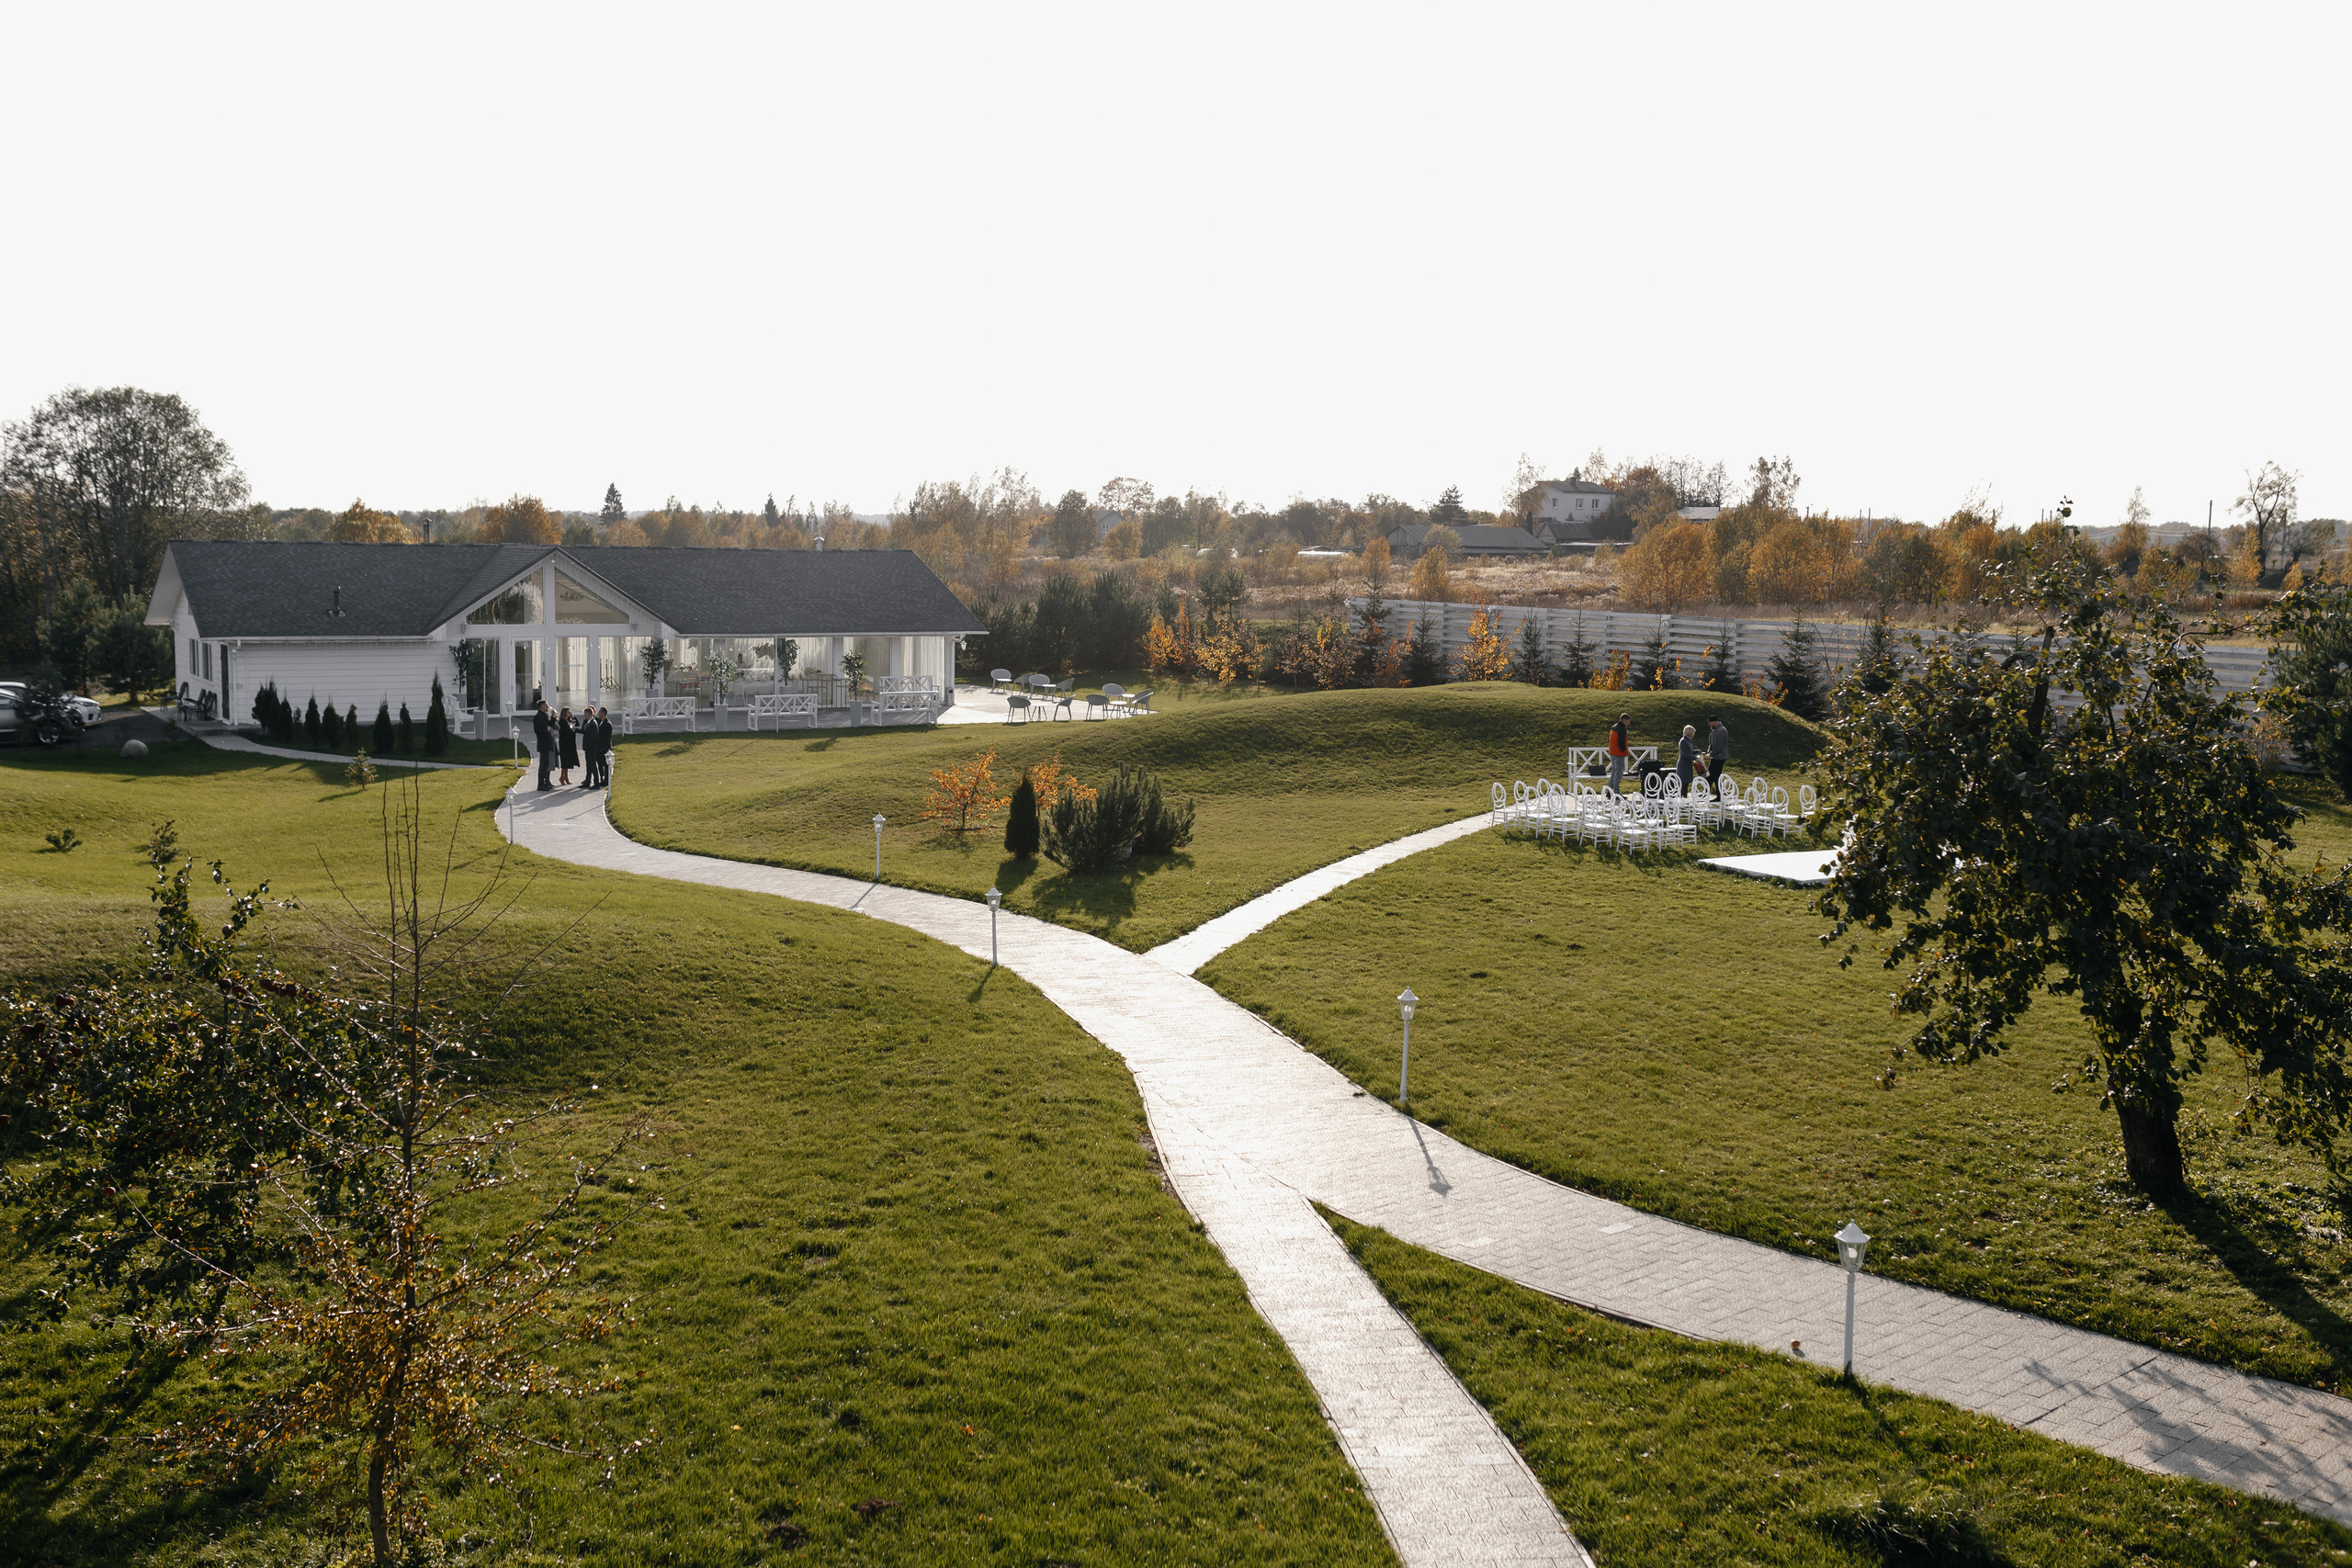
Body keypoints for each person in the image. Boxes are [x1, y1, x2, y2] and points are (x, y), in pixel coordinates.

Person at [582, 705, 610, 788]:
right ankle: (588, 782)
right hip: (589, 749)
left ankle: (596, 783)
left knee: (593, 766)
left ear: (588, 714)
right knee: (589, 766)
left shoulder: (592, 723)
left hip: (591, 749)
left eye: (585, 714)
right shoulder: (590, 723)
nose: (584, 715)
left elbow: (593, 737)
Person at [532, 699, 556, 791]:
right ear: (541, 706)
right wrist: (547, 729)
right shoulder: (538, 716)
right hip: (543, 742)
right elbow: (537, 730)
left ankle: (544, 783)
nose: (547, 707)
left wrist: (553, 716)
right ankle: (540, 784)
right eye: (546, 705)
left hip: (547, 742)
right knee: (543, 764)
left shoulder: (545, 715)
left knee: (545, 764)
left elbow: (551, 724)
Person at [1605, 711, 1631, 795]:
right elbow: (1621, 743)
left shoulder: (1614, 727)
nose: (1629, 723)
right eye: (1628, 721)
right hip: (1619, 753)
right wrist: (1624, 750)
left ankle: (1609, 791)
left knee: (1614, 772)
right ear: (1624, 720)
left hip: (1612, 752)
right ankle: (1616, 792)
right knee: (1618, 774)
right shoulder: (1622, 730)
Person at [1706, 714, 1731, 790]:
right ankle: (1708, 793)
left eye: (1710, 723)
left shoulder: (1722, 731)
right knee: (1713, 776)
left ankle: (1706, 793)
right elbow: (1711, 744)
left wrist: (1711, 754)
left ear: (1714, 722)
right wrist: (1709, 752)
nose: (1709, 725)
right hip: (1715, 757)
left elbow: (1719, 746)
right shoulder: (1714, 731)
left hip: (1719, 757)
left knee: (1713, 776)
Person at [557, 705, 578, 785]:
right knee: (565, 762)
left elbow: (577, 724)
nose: (570, 713)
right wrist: (571, 730)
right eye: (569, 712)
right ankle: (562, 777)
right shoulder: (562, 721)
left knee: (568, 761)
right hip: (564, 744)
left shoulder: (569, 720)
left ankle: (565, 776)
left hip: (570, 743)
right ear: (565, 713)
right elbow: (565, 732)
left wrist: (573, 717)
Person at [1676, 723, 1697, 795]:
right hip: (1683, 765)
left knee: (1686, 782)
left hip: (1688, 764)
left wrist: (1697, 752)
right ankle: (1680, 797)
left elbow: (1689, 752)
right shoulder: (1683, 741)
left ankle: (1684, 797)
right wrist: (1695, 758)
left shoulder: (1688, 741)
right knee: (1683, 783)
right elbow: (1685, 754)